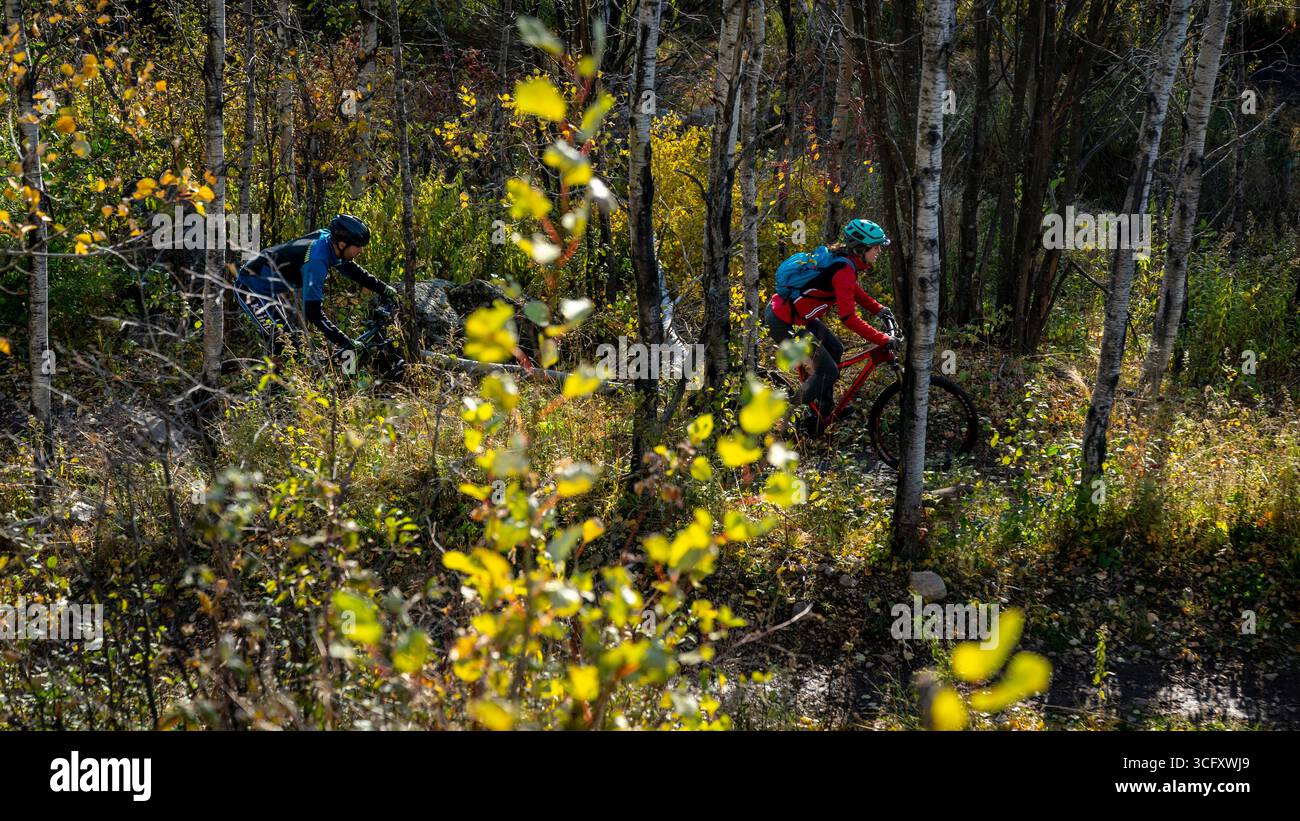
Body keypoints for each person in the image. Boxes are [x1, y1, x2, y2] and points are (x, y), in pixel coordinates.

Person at [765, 218, 898, 435]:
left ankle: (822, 410)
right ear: (861, 248)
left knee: (835, 348)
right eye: (876, 248)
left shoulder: (844, 261)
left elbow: (854, 291)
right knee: (829, 371)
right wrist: (882, 339)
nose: (878, 252)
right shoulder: (844, 268)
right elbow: (848, 318)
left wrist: (879, 309)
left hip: (796, 316)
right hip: (784, 322)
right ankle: (784, 416)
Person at [233, 214, 397, 358]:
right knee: (283, 343)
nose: (361, 250)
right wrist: (346, 341)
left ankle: (279, 378)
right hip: (249, 288)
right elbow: (313, 313)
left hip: (266, 288)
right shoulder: (317, 261)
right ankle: (272, 390)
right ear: (342, 244)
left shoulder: (329, 240)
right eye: (358, 246)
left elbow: (352, 271)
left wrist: (383, 289)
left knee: (289, 342)